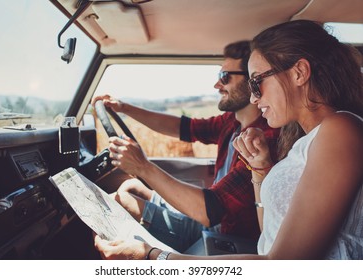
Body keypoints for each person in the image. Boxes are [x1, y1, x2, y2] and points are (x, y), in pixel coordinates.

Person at [94, 19, 363, 260]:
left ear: (299, 73)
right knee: (127, 192)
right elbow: (268, 231)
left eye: (257, 82)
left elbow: (281, 263)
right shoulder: (301, 139)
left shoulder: (338, 130)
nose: (254, 97)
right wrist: (261, 170)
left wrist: (154, 258)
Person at [92, 41, 280, 252]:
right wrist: (124, 108)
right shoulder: (231, 122)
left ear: (251, 81)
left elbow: (210, 212)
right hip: (213, 219)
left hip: (223, 233)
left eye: (225, 77)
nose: (217, 86)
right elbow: (182, 127)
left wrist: (143, 166)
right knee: (129, 187)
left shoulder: (262, 140)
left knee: (117, 201)